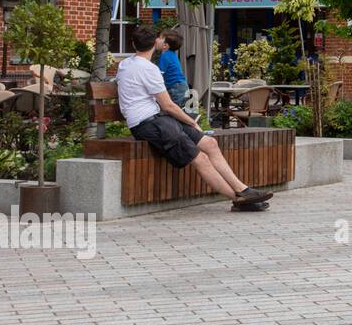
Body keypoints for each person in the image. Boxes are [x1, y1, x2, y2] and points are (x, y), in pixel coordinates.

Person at [117, 25, 273, 210]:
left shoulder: (124, 64)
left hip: (158, 120)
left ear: (133, 44)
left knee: (210, 144)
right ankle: (238, 199)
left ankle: (243, 189)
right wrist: (192, 122)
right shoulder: (148, 69)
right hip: (149, 125)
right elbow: (168, 105)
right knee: (201, 159)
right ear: (155, 43)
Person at [155, 29, 188, 109]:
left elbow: (159, 75)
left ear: (165, 45)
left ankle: (186, 120)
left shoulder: (165, 55)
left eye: (159, 37)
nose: (156, 39)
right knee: (179, 108)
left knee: (173, 110)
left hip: (175, 87)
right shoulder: (171, 54)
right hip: (180, 86)